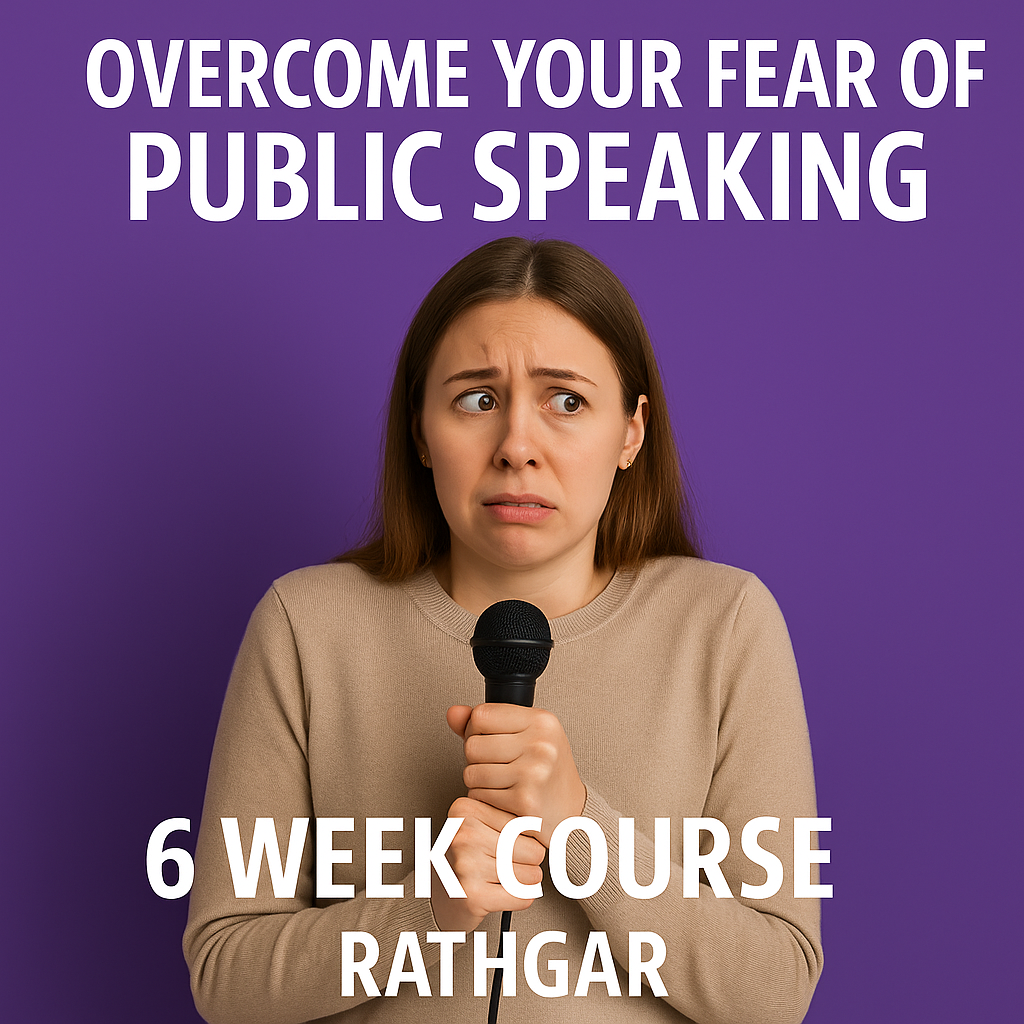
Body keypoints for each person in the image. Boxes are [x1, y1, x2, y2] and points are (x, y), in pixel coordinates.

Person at [183, 237, 824, 1024]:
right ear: (420, 430)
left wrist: (580, 828)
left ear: (631, 432)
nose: (518, 447)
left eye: (567, 401)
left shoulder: (725, 626)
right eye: (477, 400)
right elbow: (224, 975)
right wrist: (426, 910)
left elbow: (776, 990)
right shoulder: (306, 626)